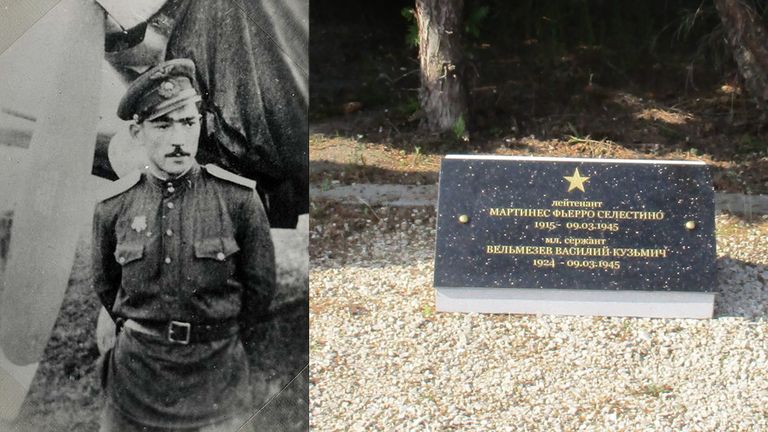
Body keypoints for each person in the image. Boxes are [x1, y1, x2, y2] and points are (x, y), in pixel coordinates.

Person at [91, 58, 275, 431]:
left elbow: (259, 289)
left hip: (216, 379)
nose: (178, 139)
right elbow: (107, 286)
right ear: (137, 131)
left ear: (201, 125)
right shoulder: (113, 207)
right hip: (137, 378)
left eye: (188, 123)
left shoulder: (238, 200)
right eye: (162, 124)